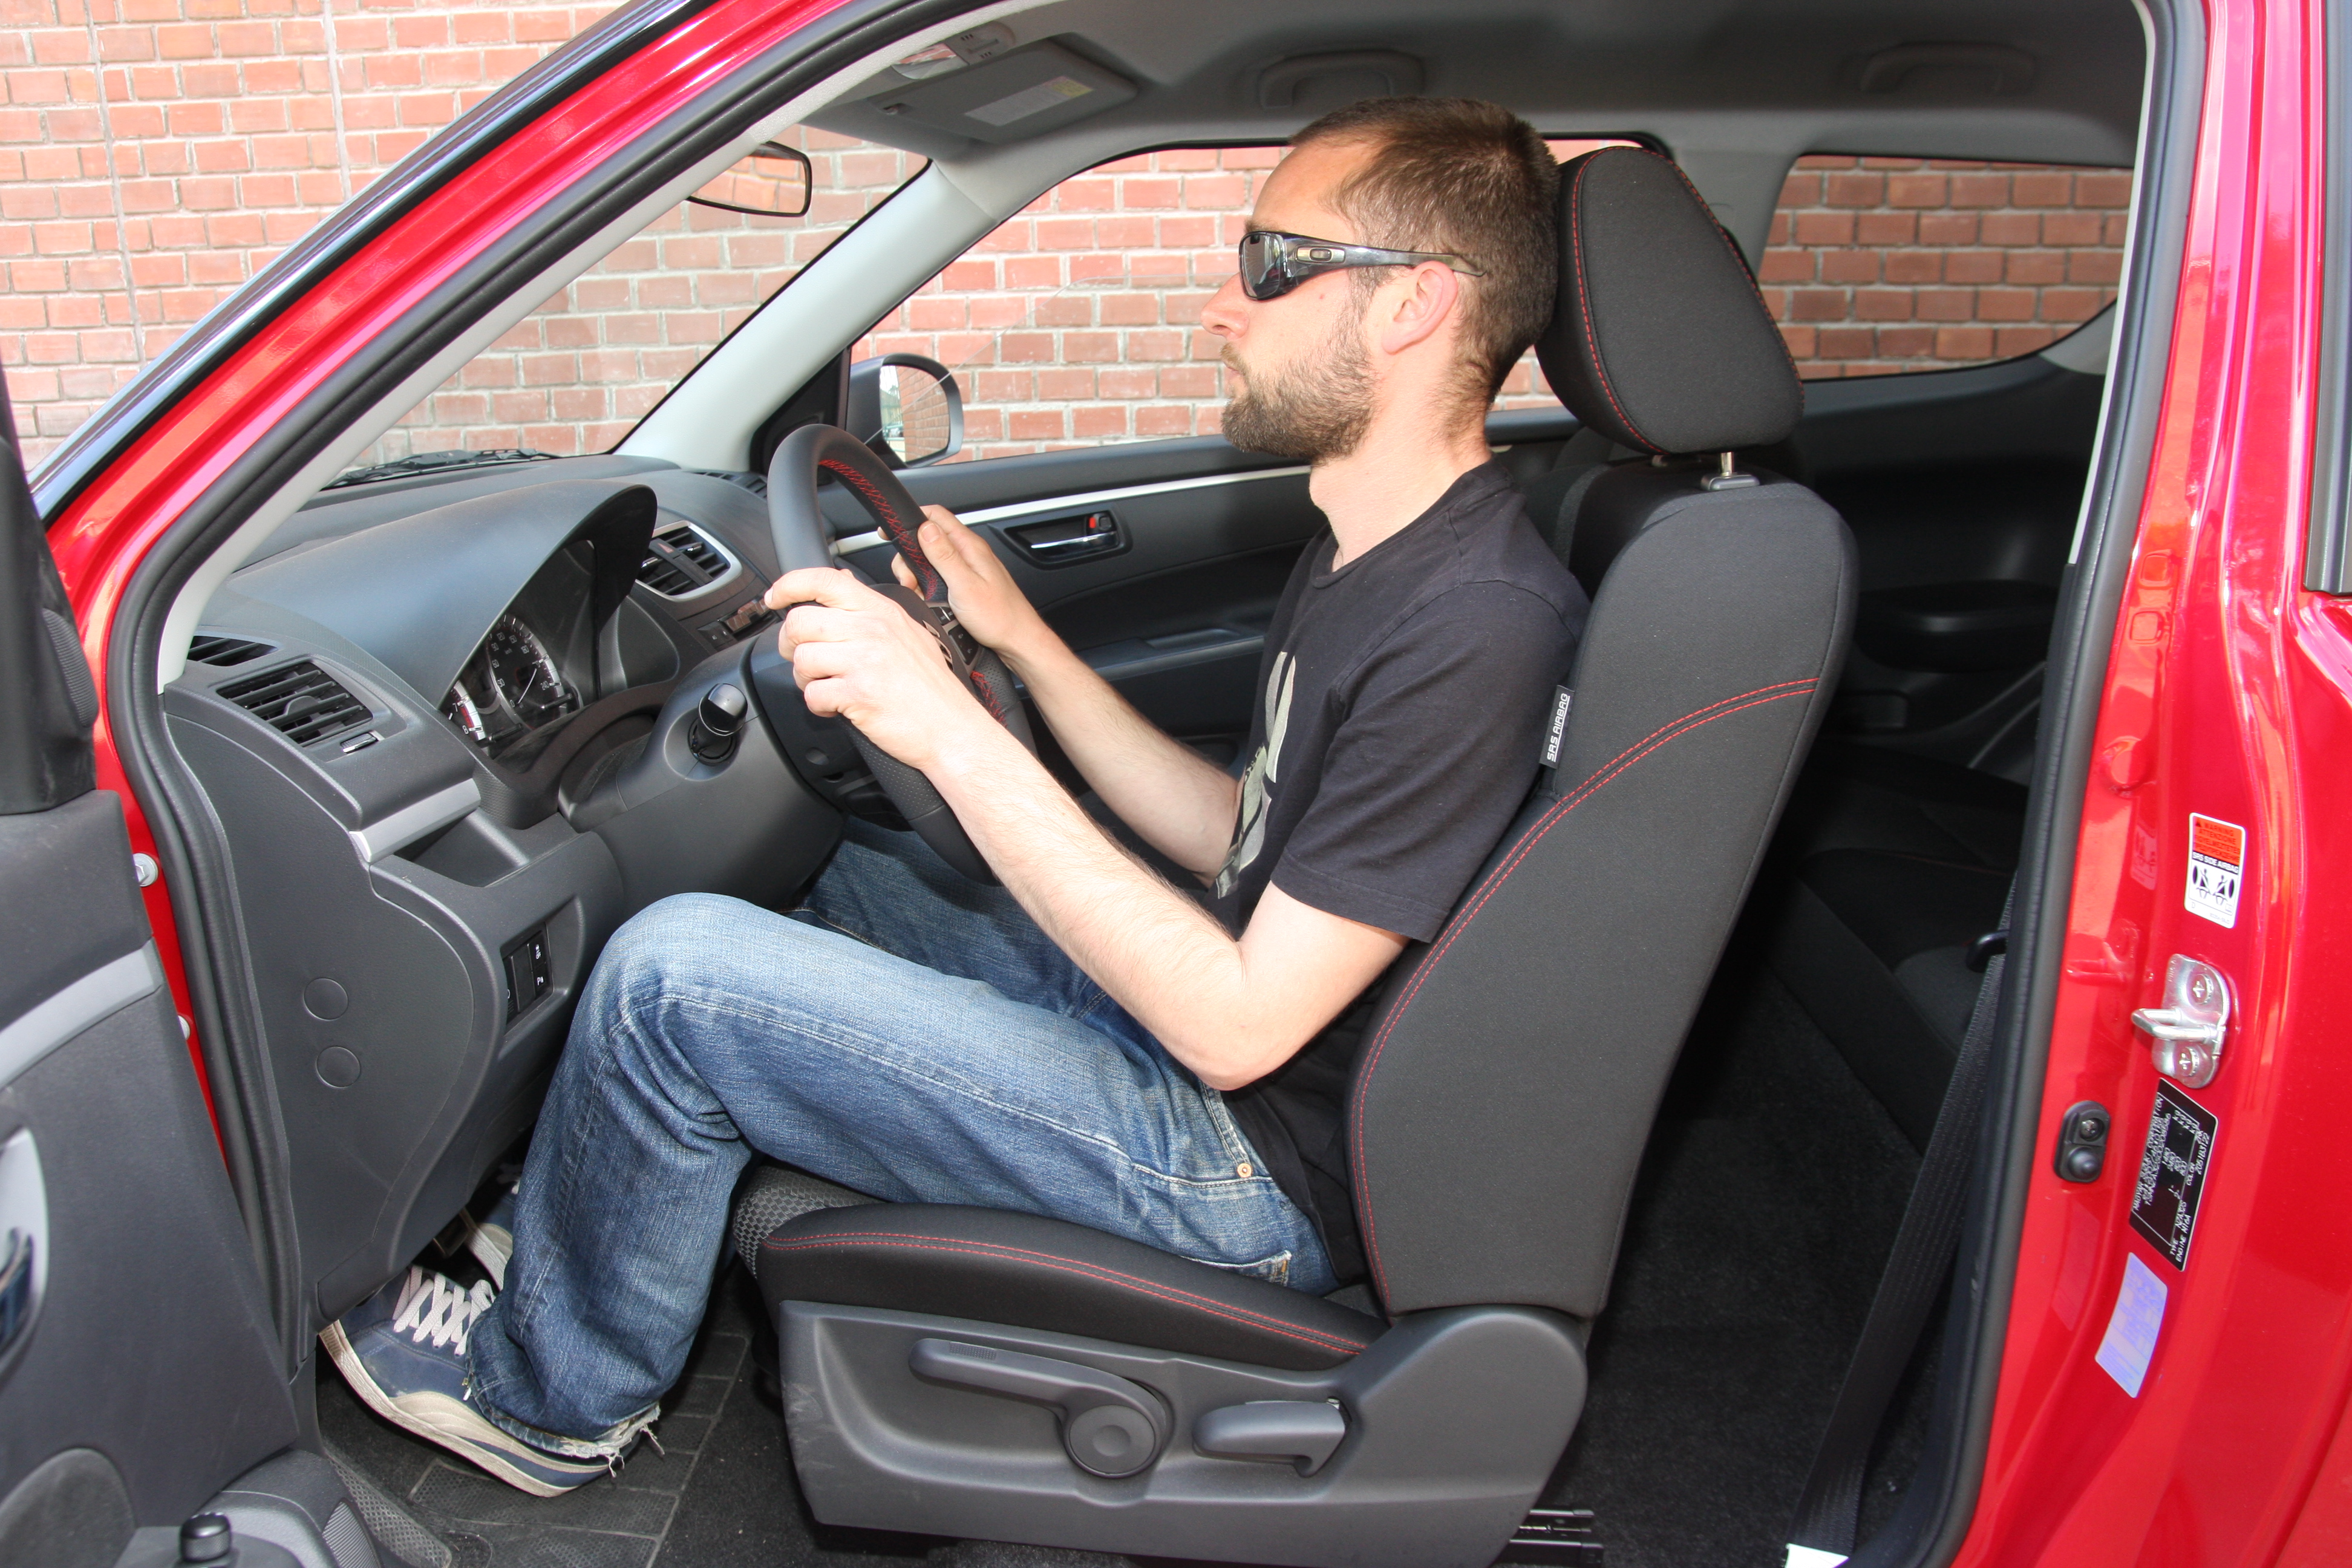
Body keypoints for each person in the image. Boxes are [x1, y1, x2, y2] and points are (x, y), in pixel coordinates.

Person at [322, 96, 1589, 1497]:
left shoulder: (1475, 620)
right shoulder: (1376, 550)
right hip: (1214, 1050)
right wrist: (1022, 646)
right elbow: (1241, 831)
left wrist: (945, 726)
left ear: (1414, 304)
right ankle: (575, 1215)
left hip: (1245, 1166)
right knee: (832, 860)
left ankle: (547, 1399)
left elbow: (1239, 1027)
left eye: (1270, 263)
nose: (1222, 306)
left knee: (671, 981)